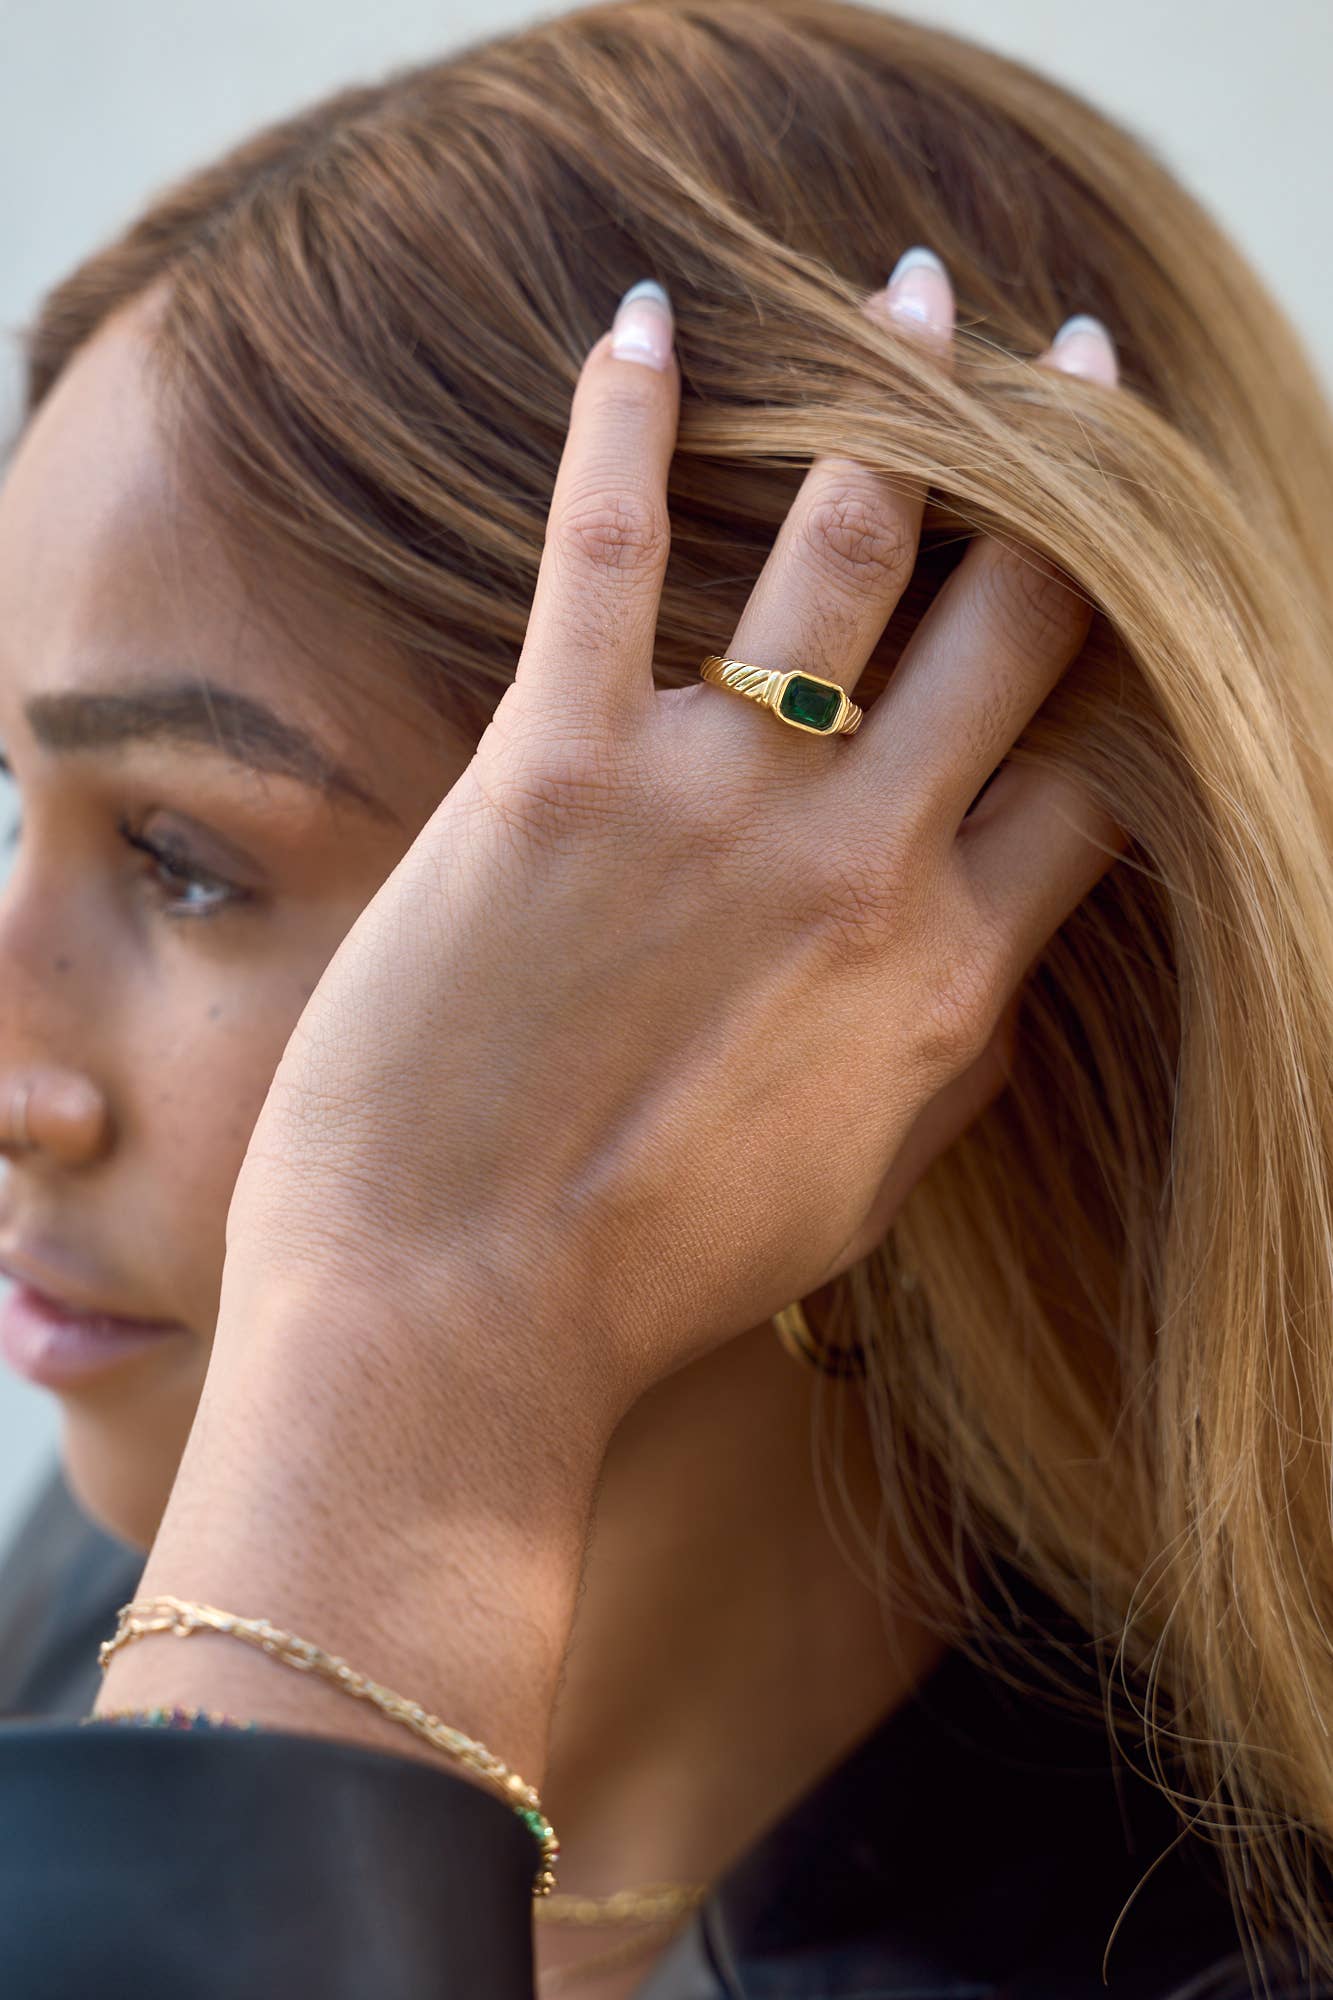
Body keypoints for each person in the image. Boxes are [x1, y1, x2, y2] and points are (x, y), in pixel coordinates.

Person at [0, 1, 1330, 1993]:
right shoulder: (111, 1568)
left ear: (884, 949)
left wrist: (409, 1333)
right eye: (14, 805)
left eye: (187, 858)